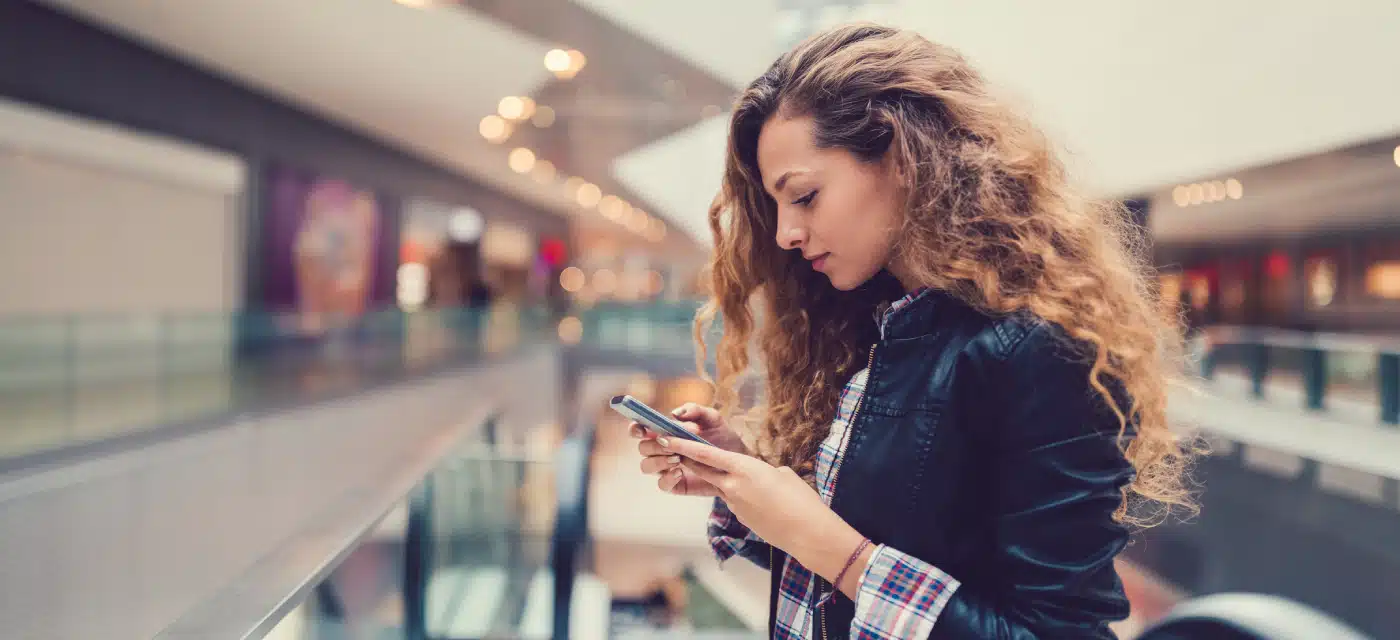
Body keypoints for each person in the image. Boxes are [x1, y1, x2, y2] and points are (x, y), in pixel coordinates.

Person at [630, 23, 1197, 639]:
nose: (785, 234)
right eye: (777, 207)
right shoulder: (873, 328)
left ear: (900, 158)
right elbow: (864, 563)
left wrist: (837, 553)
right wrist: (742, 480)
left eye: (805, 196)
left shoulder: (1038, 349)